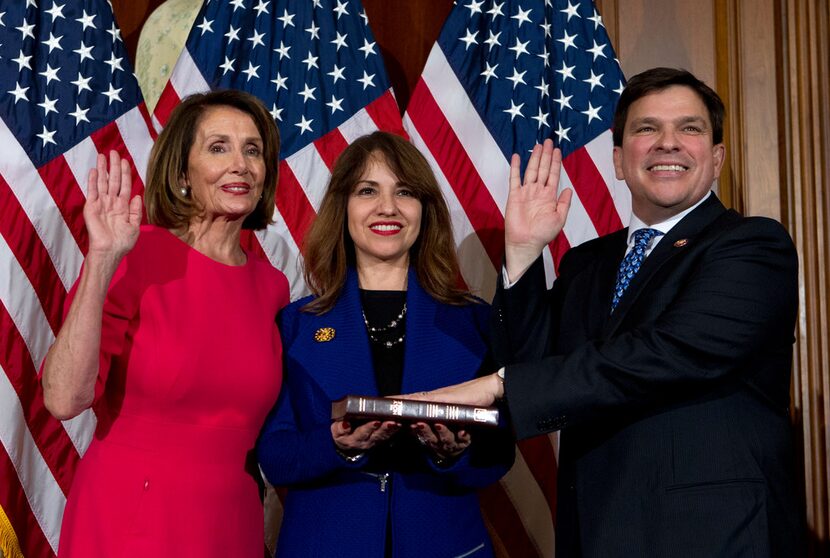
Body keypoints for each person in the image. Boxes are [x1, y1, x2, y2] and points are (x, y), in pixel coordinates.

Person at [412, 68, 806, 557]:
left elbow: (667, 352)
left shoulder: (752, 246)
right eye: (646, 129)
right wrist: (523, 252)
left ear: (717, 157)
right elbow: (532, 363)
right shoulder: (587, 264)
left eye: (689, 128)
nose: (668, 143)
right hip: (597, 534)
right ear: (619, 161)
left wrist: (500, 384)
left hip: (714, 536)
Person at [41, 90, 289, 557]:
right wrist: (101, 260)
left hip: (231, 524)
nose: (240, 163)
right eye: (219, 147)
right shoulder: (135, 254)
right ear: (182, 173)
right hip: (129, 519)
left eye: (252, 150)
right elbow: (63, 399)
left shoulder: (272, 287)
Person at [256, 131, 514, 558]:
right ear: (343, 207)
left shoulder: (473, 321)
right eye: (367, 190)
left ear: (424, 209)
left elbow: (501, 452)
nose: (387, 207)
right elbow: (275, 454)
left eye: (405, 192)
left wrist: (454, 455)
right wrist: (334, 444)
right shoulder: (296, 325)